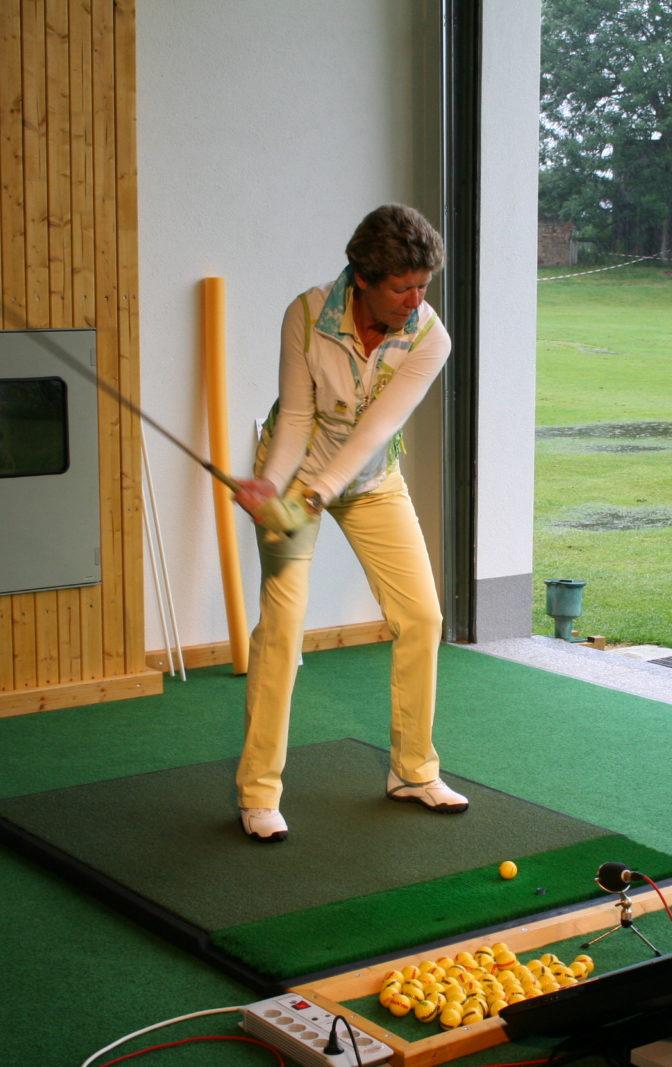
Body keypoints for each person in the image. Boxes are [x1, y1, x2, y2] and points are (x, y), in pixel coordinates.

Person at [231, 204, 467, 843]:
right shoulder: (306, 315)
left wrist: (320, 494)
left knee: (422, 617)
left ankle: (413, 772)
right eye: (403, 288)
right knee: (282, 628)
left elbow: (376, 431)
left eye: (424, 286)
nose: (416, 302)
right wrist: (271, 486)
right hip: (295, 474)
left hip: (369, 482)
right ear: (362, 278)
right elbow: (296, 416)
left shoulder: (429, 337)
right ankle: (259, 792)